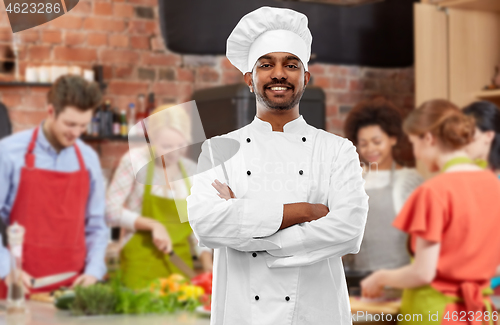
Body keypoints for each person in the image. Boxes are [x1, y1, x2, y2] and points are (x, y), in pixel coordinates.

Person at [187, 6, 369, 325]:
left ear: (305, 77)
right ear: (250, 78)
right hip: (243, 313)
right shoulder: (217, 150)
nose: (279, 74)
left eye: (291, 64)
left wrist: (245, 219)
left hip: (315, 313)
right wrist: (305, 212)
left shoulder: (338, 150)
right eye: (266, 64)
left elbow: (349, 231)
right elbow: (205, 224)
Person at [361, 99, 500, 325]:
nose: (416, 153)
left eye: (414, 143)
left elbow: (423, 273)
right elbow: (494, 267)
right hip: (478, 314)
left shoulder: (433, 191)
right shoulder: (495, 185)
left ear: (428, 138)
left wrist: (381, 277)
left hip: (434, 313)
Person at [0, 75, 108, 295]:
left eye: (83, 125)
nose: (76, 133)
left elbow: (97, 224)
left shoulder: (88, 159)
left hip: (73, 289)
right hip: (19, 283)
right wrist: (5, 267)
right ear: (51, 111)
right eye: (69, 124)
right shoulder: (8, 152)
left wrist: (94, 271)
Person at [106, 104, 213, 289]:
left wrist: (208, 268)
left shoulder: (190, 170)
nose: (174, 153)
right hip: (139, 265)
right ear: (152, 139)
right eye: (167, 146)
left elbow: (199, 227)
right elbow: (110, 211)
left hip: (179, 269)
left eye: (181, 145)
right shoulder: (135, 161)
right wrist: (152, 225)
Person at [343, 97, 423, 273]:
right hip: (361, 278)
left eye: (377, 142)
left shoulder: (410, 180)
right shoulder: (354, 179)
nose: (370, 149)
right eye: (363, 144)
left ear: (393, 139)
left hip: (400, 278)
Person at [463, 101, 500, 291]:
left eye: (471, 135)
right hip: (470, 286)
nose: (464, 142)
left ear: (488, 136)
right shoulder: (467, 177)